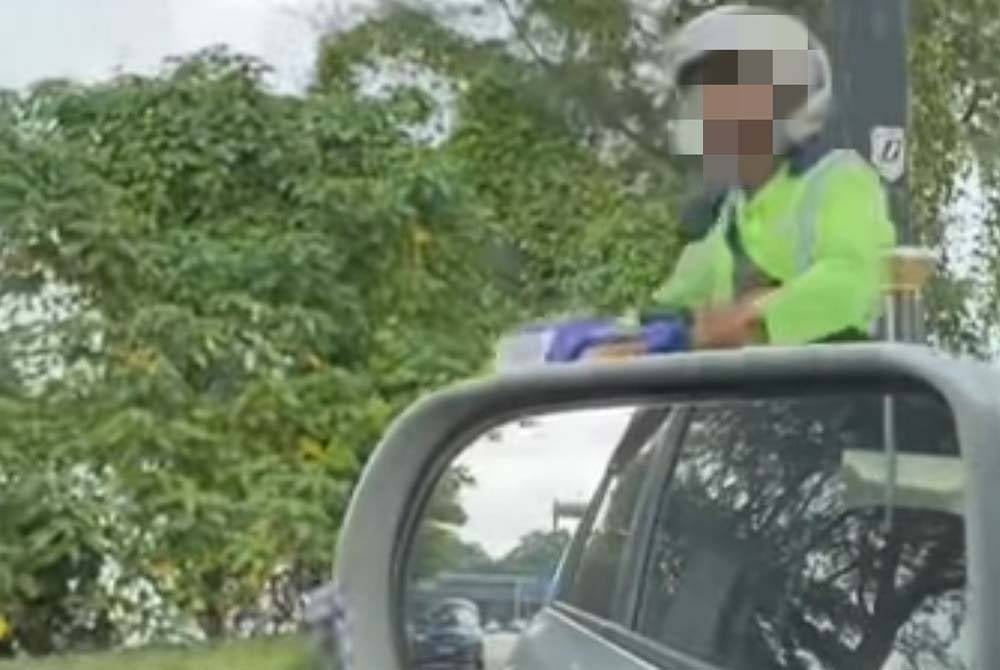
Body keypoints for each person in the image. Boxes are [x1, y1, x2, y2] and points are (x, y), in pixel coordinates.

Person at [542, 4, 897, 363]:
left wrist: (747, 319)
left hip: (838, 392)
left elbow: (853, 281)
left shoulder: (839, 180)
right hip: (754, 396)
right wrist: (613, 335)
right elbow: (673, 308)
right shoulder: (729, 218)